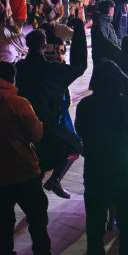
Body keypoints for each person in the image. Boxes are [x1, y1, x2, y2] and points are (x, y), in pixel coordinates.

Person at [0, 62, 66, 255]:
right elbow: (36, 135)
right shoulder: (19, 103)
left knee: (3, 222)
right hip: (24, 171)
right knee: (37, 217)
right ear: (11, 80)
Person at [76, 60, 128, 255]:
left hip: (95, 172)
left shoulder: (85, 105)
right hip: (123, 173)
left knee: (95, 225)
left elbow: (80, 131)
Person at [15, 22, 87, 199]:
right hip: (47, 122)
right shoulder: (51, 69)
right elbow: (79, 67)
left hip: (21, 120)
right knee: (74, 145)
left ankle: (43, 181)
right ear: (45, 46)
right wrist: (79, 31)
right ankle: (55, 179)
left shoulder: (19, 68)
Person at [91, 0, 121, 65]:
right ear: (109, 11)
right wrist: (120, 51)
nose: (113, 13)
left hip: (108, 58)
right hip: (103, 60)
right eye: (113, 11)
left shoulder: (107, 23)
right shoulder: (100, 24)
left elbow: (113, 40)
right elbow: (104, 42)